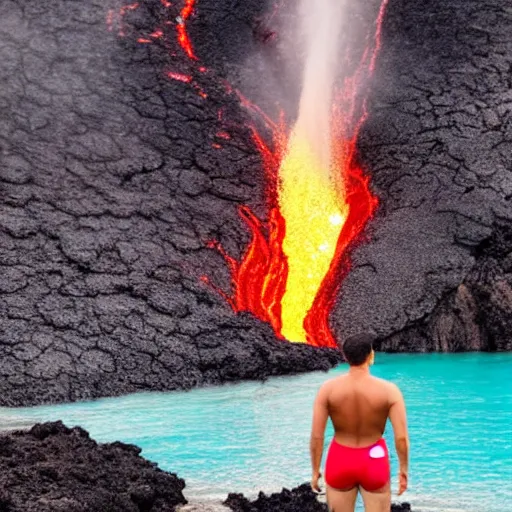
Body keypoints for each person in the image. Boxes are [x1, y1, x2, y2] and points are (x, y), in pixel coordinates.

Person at [309, 333, 409, 512]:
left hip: (340, 459)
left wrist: (315, 471)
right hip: (374, 458)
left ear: (345, 356)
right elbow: (401, 438)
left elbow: (317, 436)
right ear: (371, 356)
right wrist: (403, 470)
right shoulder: (390, 391)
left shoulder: (327, 390)